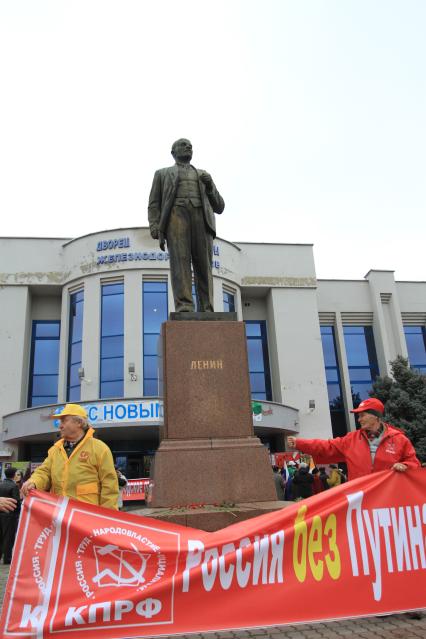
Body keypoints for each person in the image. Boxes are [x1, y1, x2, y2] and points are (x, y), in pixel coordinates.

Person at [148, 138, 225, 312]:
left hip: (201, 218)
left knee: (204, 265)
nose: (188, 147)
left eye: (190, 145)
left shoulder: (203, 175)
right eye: (183, 145)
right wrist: (154, 226)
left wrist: (210, 185)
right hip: (176, 217)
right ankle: (184, 306)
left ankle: (207, 307)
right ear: (173, 152)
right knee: (180, 262)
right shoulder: (162, 174)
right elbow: (154, 203)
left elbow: (219, 207)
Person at [287, 398, 421, 481]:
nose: (359, 419)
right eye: (359, 416)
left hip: (388, 501)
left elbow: (414, 463)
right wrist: (300, 443)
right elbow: (326, 446)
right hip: (360, 499)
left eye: (363, 415)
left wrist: (405, 465)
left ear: (376, 417)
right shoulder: (351, 439)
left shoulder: (399, 439)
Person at [21, 404, 119, 509]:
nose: (60, 426)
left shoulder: (99, 448)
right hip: (59, 515)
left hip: (87, 516)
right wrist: (34, 482)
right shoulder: (55, 450)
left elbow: (109, 486)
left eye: (64, 421)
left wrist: (107, 518)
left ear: (79, 423)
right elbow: (44, 472)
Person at [0, 467, 21, 564]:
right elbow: (16, 502)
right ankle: (7, 558)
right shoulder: (14, 486)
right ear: (13, 475)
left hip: (1, 514)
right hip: (10, 516)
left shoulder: (1, 484)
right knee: (9, 537)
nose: (18, 476)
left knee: (1, 536)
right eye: (17, 474)